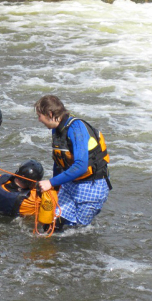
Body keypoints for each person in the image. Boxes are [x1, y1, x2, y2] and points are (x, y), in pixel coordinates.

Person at [34, 95, 111, 228]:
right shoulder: (56, 129)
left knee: (75, 233)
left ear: (50, 114)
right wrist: (54, 186)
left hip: (92, 186)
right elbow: (59, 161)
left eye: (40, 116)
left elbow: (81, 166)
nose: (39, 120)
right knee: (51, 224)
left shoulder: (76, 129)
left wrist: (50, 182)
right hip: (71, 184)